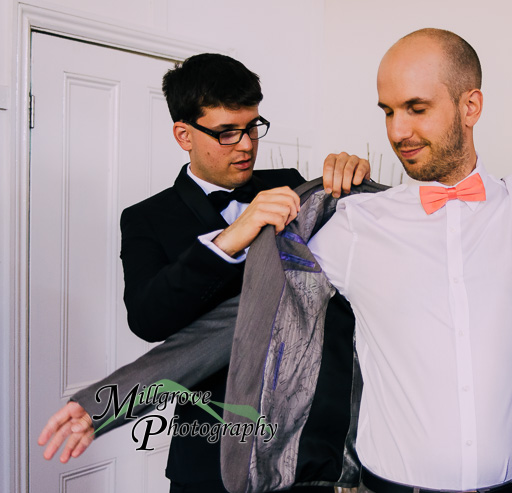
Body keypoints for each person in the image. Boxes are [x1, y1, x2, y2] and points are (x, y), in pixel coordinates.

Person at [41, 30, 512, 493]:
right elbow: (233, 326)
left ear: (471, 106)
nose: (399, 132)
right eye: (387, 111)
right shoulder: (349, 220)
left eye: (417, 108)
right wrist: (104, 403)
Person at [38, 52, 369, 493]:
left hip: (305, 449)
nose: (247, 144)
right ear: (184, 134)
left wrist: (353, 182)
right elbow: (150, 319)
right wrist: (231, 238)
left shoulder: (290, 185)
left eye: (253, 126)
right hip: (210, 455)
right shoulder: (148, 218)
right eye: (227, 133)